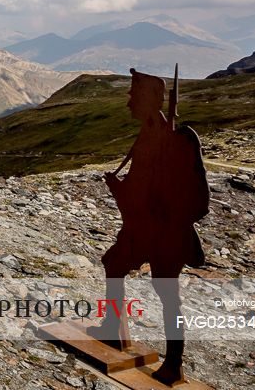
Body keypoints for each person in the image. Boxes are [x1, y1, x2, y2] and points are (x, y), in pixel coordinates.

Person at [87, 67, 208, 386]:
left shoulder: (180, 140)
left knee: (168, 295)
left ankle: (174, 364)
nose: (128, 100)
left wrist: (164, 210)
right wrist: (121, 188)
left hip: (167, 234)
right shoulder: (147, 135)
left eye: (133, 94)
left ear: (149, 99)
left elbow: (198, 200)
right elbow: (141, 187)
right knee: (112, 264)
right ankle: (113, 328)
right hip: (143, 229)